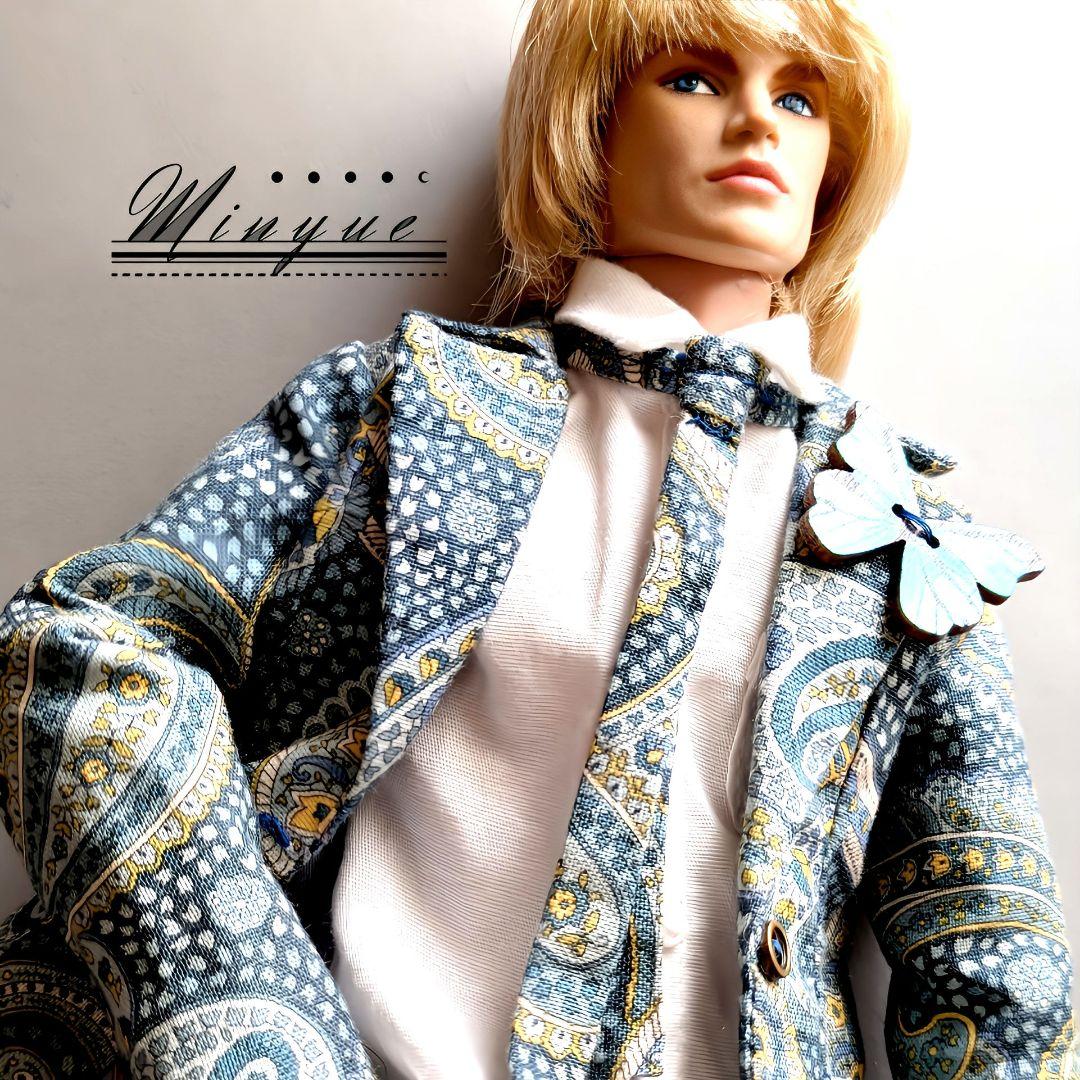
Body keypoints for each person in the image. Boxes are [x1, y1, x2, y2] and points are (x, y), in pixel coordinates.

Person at [0, 2, 1074, 1078]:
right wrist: (243, 1011)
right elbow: (82, 648)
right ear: (593, 121)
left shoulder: (899, 523)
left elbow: (993, 947)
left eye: (800, 98)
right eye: (693, 79)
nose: (758, 121)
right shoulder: (405, 407)